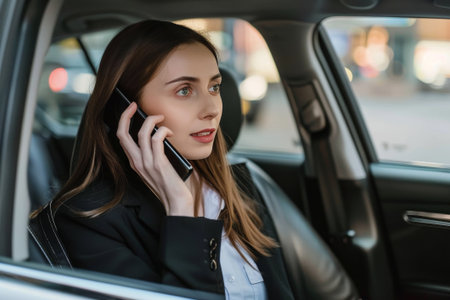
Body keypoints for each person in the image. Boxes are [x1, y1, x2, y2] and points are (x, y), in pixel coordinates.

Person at [48, 20, 294, 299]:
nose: (211, 109)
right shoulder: (89, 221)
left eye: (214, 87)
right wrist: (181, 208)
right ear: (125, 110)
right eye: (184, 90)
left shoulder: (241, 188)